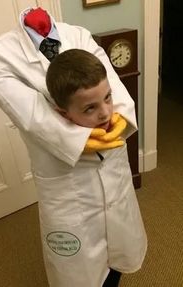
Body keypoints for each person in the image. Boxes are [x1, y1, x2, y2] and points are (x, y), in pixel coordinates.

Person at [0, 7, 147, 286]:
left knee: (118, 246)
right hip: (65, 177)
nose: (104, 113)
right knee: (78, 265)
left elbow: (111, 88)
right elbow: (34, 116)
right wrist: (83, 139)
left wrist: (119, 118)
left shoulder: (78, 35)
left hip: (112, 163)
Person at [45, 48, 147, 287]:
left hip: (117, 204)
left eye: (108, 98)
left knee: (118, 261)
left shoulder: (114, 125)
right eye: (90, 108)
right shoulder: (55, 142)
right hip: (81, 217)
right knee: (86, 273)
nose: (105, 113)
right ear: (63, 113)